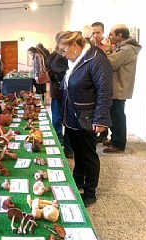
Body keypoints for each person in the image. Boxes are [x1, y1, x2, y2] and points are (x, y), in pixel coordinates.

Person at [56, 31, 112, 207]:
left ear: (74, 45)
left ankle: (90, 192)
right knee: (78, 152)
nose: (63, 55)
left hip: (87, 116)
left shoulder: (96, 58)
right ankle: (77, 181)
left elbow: (104, 90)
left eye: (64, 50)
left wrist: (101, 119)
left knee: (88, 155)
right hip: (72, 116)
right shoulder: (75, 60)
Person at [102, 24, 142, 153]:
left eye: (111, 34)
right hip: (117, 85)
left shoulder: (127, 50)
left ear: (120, 36)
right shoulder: (122, 48)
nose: (109, 36)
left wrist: (107, 49)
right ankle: (115, 138)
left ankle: (118, 143)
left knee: (117, 115)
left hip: (119, 86)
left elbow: (110, 63)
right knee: (114, 115)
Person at [47, 44, 74, 158]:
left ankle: (68, 148)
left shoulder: (70, 56)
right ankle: (58, 140)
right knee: (58, 117)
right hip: (58, 92)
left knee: (67, 119)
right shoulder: (55, 57)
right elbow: (51, 71)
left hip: (67, 93)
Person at [90, 21, 109, 143]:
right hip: (92, 81)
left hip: (103, 79)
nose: (95, 35)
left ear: (102, 32)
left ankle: (103, 134)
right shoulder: (90, 45)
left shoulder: (107, 45)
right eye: (93, 32)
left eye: (98, 32)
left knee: (103, 106)